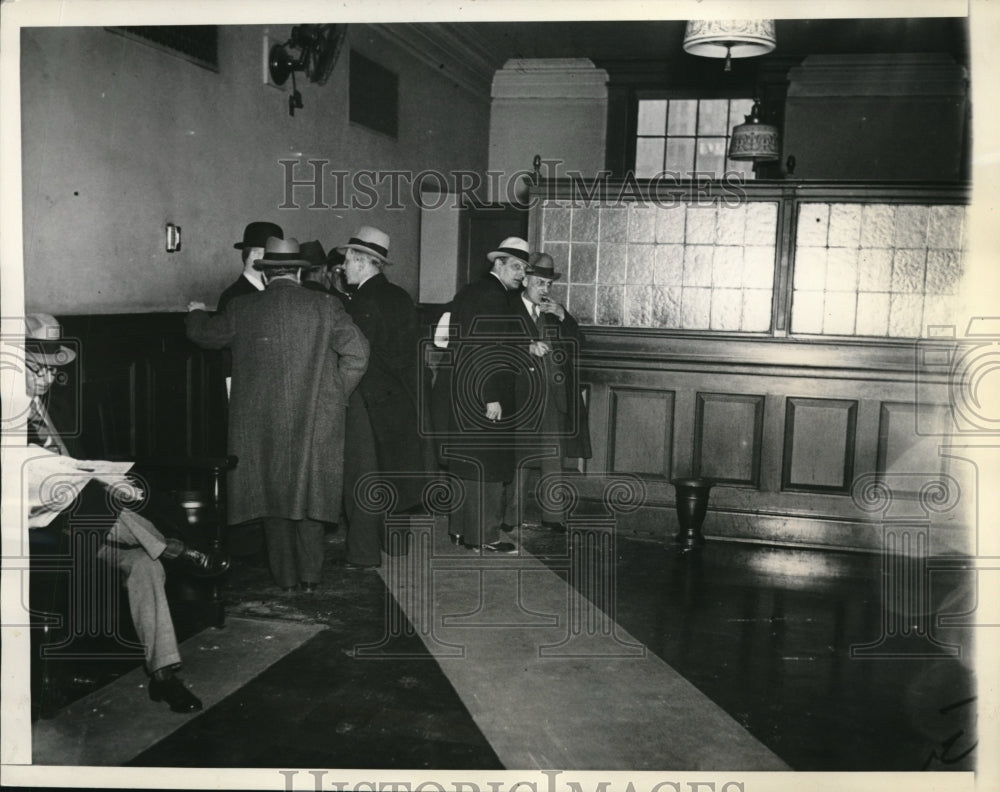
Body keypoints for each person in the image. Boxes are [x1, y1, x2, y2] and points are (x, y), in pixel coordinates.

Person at [22, 313, 226, 714]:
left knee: (143, 564)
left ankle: (164, 674)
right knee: (114, 513)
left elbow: (84, 465)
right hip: (41, 531)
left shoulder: (60, 406)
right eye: (37, 369)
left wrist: (108, 481)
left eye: (51, 370)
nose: (46, 379)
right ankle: (172, 547)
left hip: (89, 526)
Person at [185, 237, 369, 593]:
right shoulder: (325, 306)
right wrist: (334, 394)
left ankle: (284, 579)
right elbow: (358, 354)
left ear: (267, 273)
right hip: (316, 418)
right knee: (311, 498)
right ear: (300, 271)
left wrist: (195, 311)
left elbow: (204, 335)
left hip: (261, 422)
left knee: (273, 501)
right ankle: (311, 579)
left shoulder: (242, 307)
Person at [444, 236, 544, 553]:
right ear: (497, 263)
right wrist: (490, 396)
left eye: (524, 269)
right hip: (485, 390)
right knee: (487, 465)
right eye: (515, 267)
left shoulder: (475, 291)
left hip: (464, 388)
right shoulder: (494, 297)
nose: (521, 275)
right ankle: (485, 536)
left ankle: (460, 530)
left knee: (468, 463)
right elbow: (482, 349)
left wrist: (524, 345)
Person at [334, 226, 425, 568]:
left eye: (347, 260)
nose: (343, 267)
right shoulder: (400, 296)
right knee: (396, 471)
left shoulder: (362, 303)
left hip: (367, 400)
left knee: (364, 477)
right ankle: (397, 545)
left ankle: (362, 554)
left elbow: (357, 355)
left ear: (363, 261)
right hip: (400, 398)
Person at [503, 253, 591, 533]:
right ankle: (511, 518)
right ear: (525, 280)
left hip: (555, 397)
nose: (544, 289)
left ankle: (553, 517)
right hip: (522, 397)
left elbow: (579, 343)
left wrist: (564, 316)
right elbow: (497, 347)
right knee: (520, 459)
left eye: (548, 284)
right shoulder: (508, 308)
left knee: (553, 458)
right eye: (539, 282)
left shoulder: (555, 312)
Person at [217, 221, 284, 310]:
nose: (278, 261)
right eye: (273, 255)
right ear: (255, 255)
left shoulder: (271, 291)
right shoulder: (233, 298)